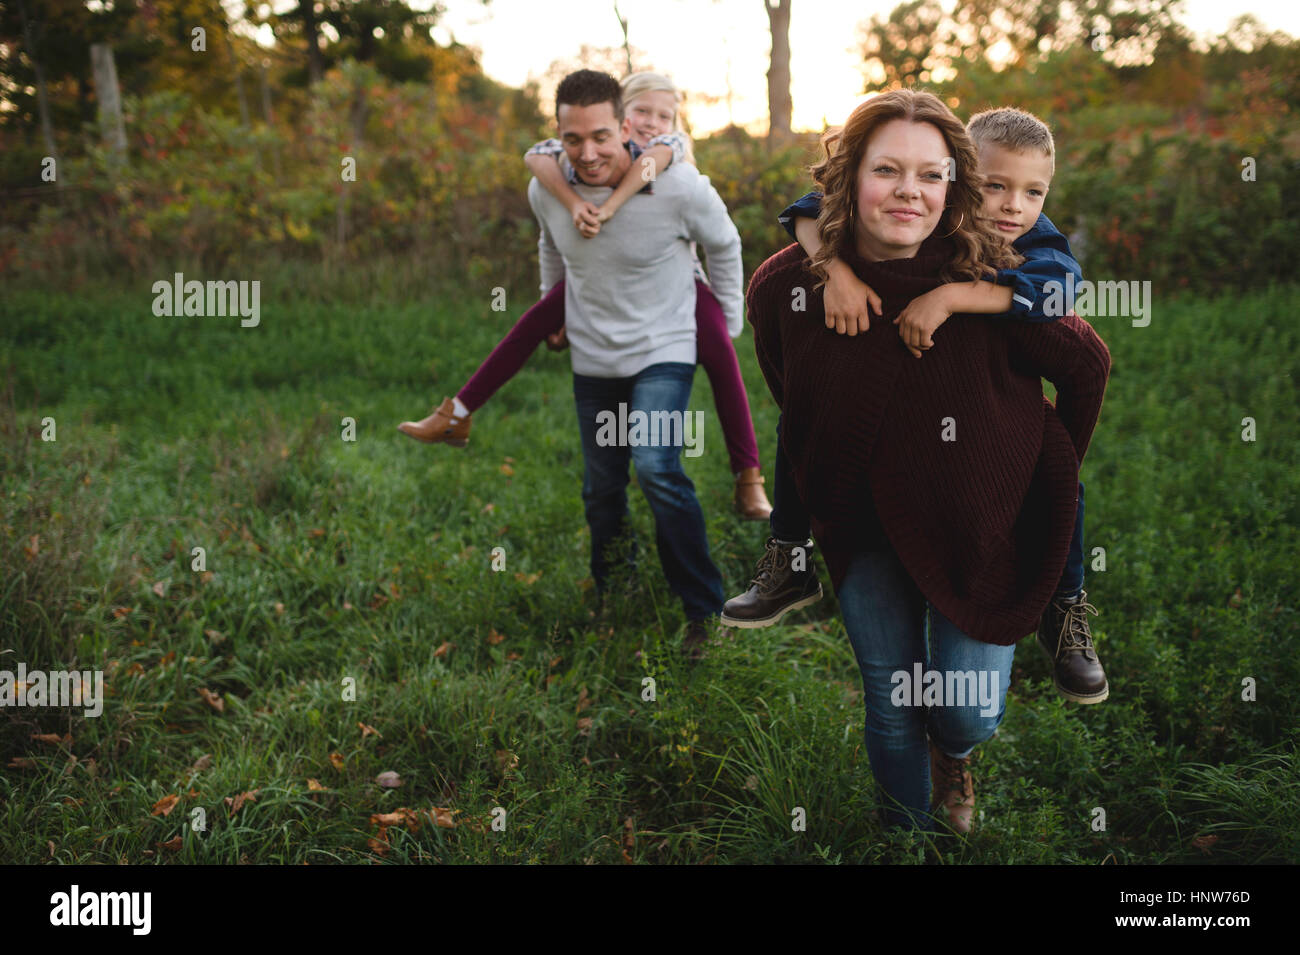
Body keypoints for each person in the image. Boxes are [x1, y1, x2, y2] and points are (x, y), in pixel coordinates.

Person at [743, 89, 1111, 831]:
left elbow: (1086, 367)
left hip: (983, 517)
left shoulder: (996, 270)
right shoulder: (791, 281)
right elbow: (794, 386)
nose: (909, 190)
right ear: (848, 177)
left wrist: (1044, 465)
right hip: (865, 517)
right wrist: (831, 270)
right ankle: (904, 839)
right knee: (891, 691)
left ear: (954, 183)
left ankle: (957, 753)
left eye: (930, 174)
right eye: (887, 169)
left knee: (966, 710)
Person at [397, 72, 772, 521]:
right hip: (595, 278)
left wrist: (730, 318)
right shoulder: (576, 151)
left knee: (721, 354)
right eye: (643, 112)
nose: (653, 123)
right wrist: (569, 225)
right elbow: (537, 160)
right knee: (535, 320)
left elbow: (714, 230)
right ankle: (457, 410)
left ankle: (748, 476)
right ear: (622, 117)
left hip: (679, 283)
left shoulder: (671, 158)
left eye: (665, 116)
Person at [500, 69, 741, 656]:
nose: (587, 153)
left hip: (664, 348)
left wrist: (727, 327)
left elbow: (725, 242)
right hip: (594, 353)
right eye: (573, 138)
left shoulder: (677, 185)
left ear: (624, 126)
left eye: (601, 137)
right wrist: (550, 308)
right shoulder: (547, 186)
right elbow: (550, 243)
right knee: (601, 487)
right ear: (558, 133)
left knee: (657, 466)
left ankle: (703, 612)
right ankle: (616, 590)